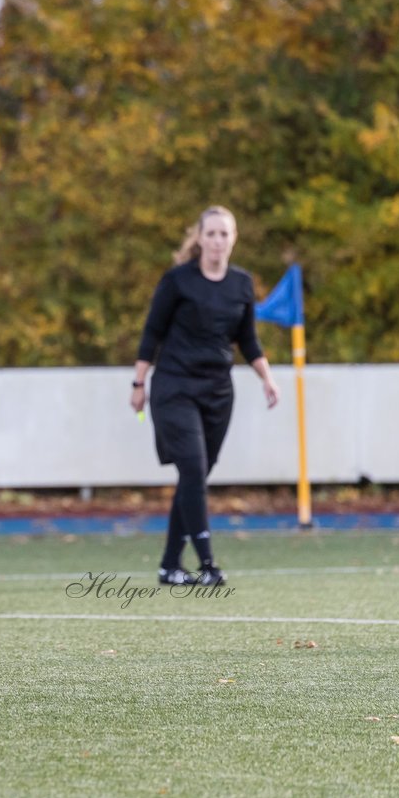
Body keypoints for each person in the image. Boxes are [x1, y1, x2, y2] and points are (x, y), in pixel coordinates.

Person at [131, 206, 280, 587]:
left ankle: (169, 565)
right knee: (194, 470)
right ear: (199, 238)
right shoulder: (178, 281)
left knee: (194, 478)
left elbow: (247, 339)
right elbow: (152, 333)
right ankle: (207, 563)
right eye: (210, 233)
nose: (217, 241)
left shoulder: (242, 284)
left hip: (218, 392)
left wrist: (267, 377)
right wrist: (139, 383)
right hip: (175, 388)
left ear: (234, 238)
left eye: (224, 234)